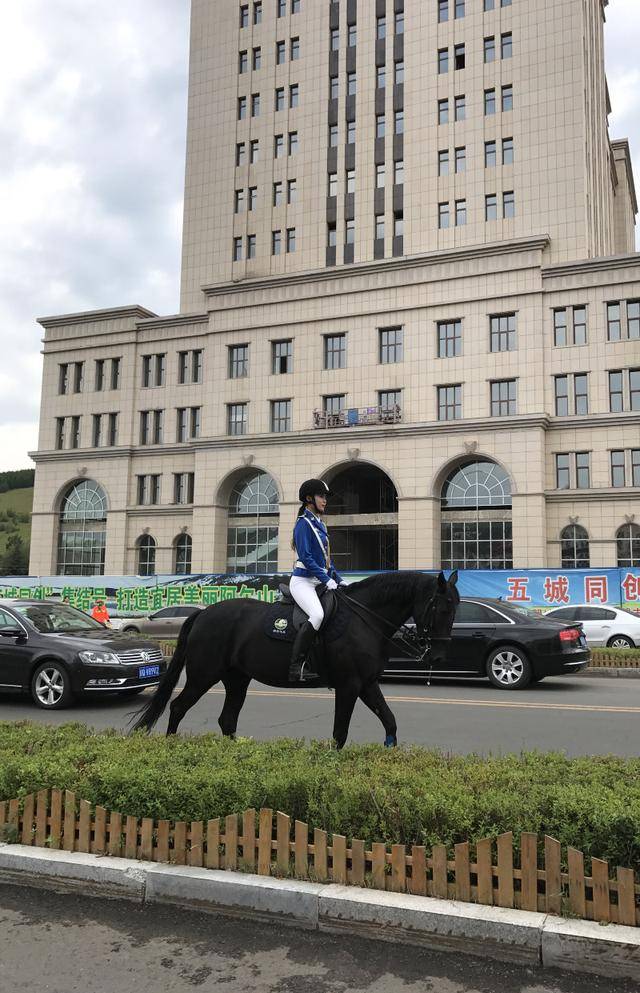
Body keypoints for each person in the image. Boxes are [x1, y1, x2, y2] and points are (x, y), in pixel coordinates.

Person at [288, 478, 346, 682]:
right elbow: (306, 557)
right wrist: (325, 579)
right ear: (309, 498)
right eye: (322, 496)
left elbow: (326, 560)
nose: (325, 501)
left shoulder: (320, 524)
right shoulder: (303, 524)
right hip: (303, 581)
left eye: (325, 497)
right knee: (317, 615)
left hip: (319, 581)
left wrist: (338, 579)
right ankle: (296, 666)